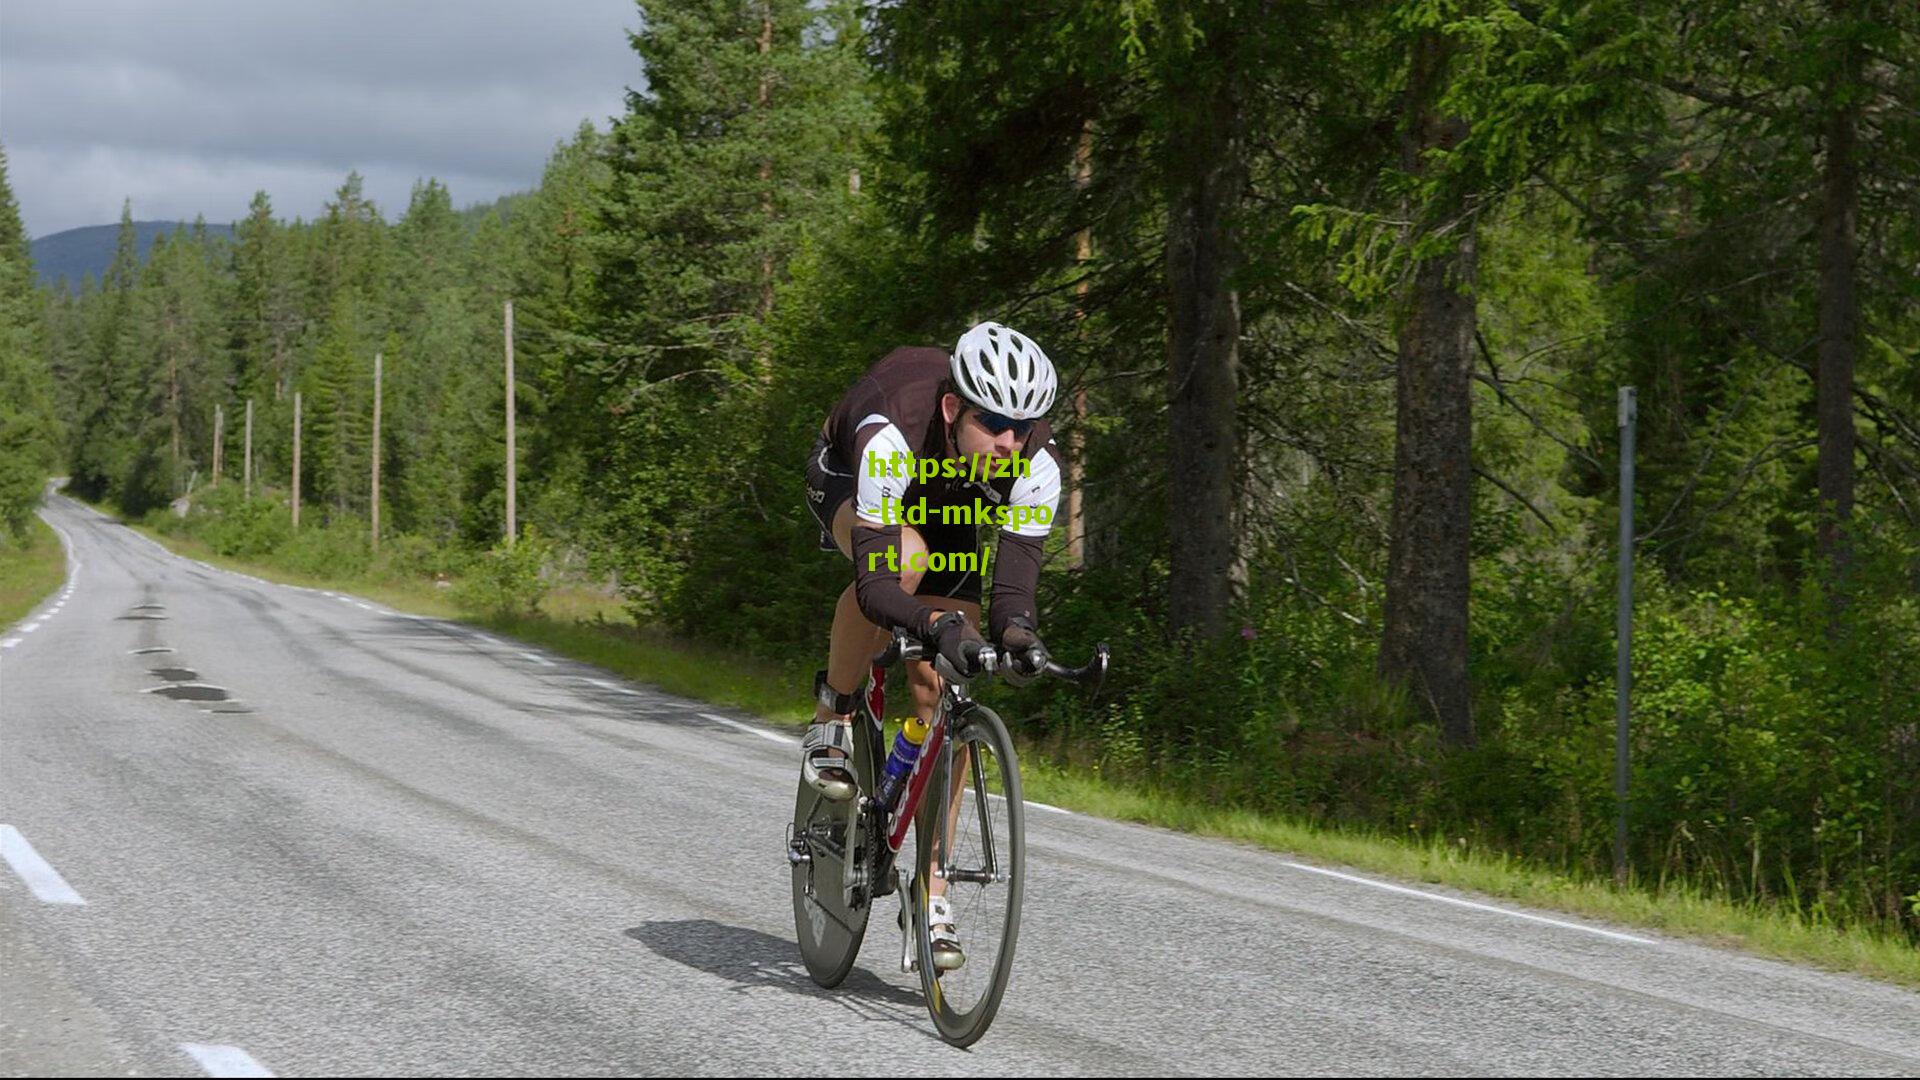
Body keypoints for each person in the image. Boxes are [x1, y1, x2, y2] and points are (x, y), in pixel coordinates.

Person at [800, 320, 1061, 970]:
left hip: (950, 506)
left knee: (939, 687)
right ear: (953, 409)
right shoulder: (894, 427)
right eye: (994, 422)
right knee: (906, 560)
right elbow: (879, 585)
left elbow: (1012, 597)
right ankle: (832, 718)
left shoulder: (1034, 462)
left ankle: (931, 887)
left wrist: (1020, 638)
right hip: (851, 479)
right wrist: (933, 623)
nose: (1010, 442)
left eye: (1023, 428)